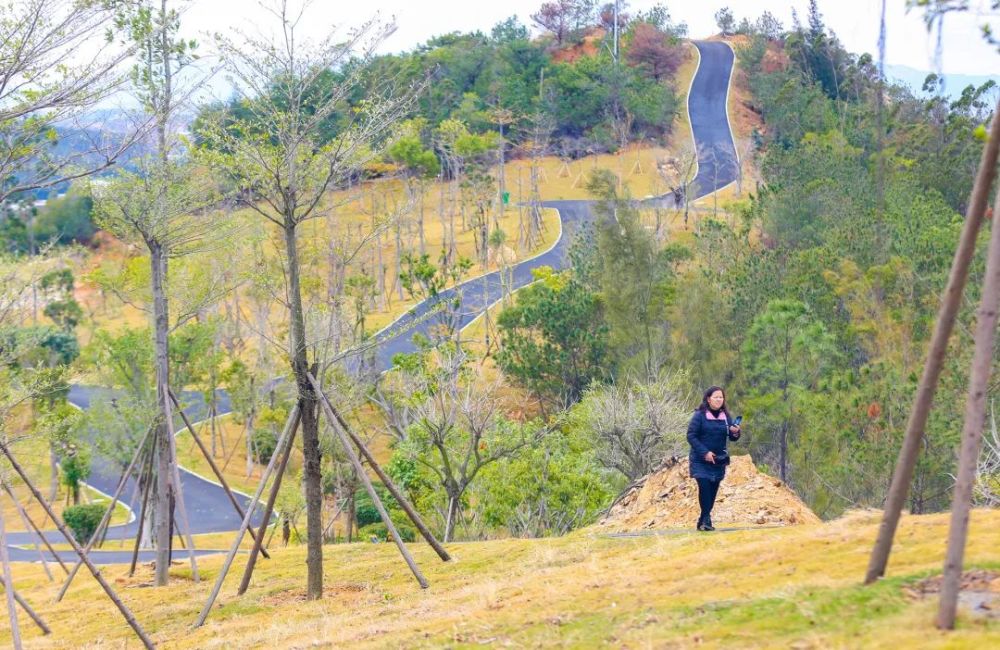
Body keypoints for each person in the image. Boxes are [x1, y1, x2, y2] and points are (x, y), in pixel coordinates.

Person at [686, 386, 741, 531]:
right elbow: (691, 436)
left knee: (712, 490)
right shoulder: (700, 415)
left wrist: (735, 432)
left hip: (719, 460)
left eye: (721, 397)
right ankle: (706, 521)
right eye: (716, 397)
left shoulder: (725, 416)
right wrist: (705, 452)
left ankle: (702, 520)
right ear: (708, 399)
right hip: (700, 460)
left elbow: (732, 437)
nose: (719, 400)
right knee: (704, 488)